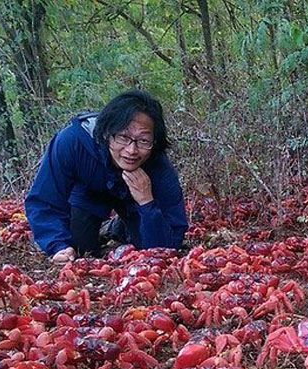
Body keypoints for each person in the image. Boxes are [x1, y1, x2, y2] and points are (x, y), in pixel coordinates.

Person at [25, 90, 188, 263]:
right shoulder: (73, 142)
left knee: (147, 251)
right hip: (89, 190)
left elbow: (169, 244)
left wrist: (147, 202)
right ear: (106, 134)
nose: (131, 150)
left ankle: (120, 227)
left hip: (134, 197)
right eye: (123, 137)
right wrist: (56, 245)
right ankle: (105, 226)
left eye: (143, 140)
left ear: (155, 141)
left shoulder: (158, 164)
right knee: (79, 248)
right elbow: (45, 199)